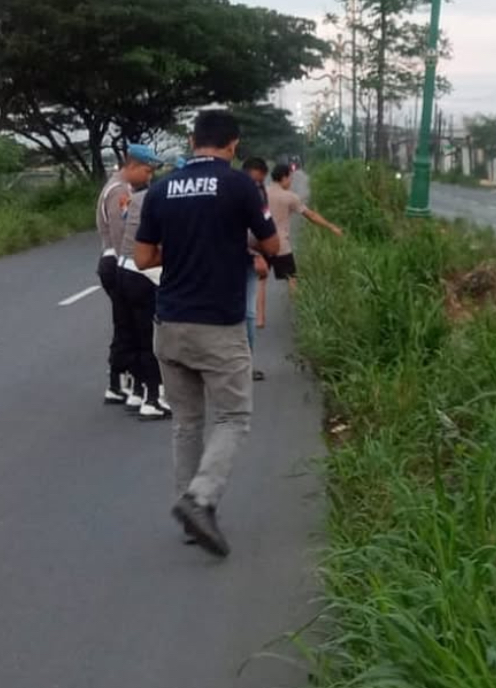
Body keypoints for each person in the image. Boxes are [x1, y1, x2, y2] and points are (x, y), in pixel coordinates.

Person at [134, 109, 279, 558]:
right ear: (233, 144)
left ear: (193, 140)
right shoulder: (240, 185)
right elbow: (271, 245)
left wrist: (183, 253)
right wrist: (233, 245)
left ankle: (190, 516)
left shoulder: (160, 189)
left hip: (170, 322)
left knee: (188, 422)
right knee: (234, 417)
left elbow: (142, 259)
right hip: (217, 324)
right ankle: (200, 499)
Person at [115, 143, 168, 419]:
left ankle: (136, 392)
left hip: (123, 270)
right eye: (148, 170)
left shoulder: (132, 199)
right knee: (150, 339)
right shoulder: (152, 198)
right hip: (142, 274)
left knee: (134, 336)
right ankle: (153, 399)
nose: (150, 176)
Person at [266, 162, 344, 297]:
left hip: (259, 243)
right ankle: (297, 304)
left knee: (259, 282)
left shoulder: (261, 192)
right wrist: (331, 226)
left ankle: (256, 317)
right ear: (284, 178)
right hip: (280, 245)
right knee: (291, 278)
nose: (290, 182)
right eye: (290, 178)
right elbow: (311, 216)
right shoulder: (289, 197)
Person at [95, 160, 132, 403]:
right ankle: (118, 381)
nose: (150, 176)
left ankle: (119, 380)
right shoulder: (119, 190)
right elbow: (121, 233)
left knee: (125, 323)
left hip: (112, 261)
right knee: (126, 324)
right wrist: (128, 265)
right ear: (134, 167)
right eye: (148, 170)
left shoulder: (117, 186)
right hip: (116, 261)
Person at [242, 157, 271, 381]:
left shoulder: (257, 191)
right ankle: (244, 365)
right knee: (248, 313)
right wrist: (258, 254)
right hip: (244, 258)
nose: (259, 185)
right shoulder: (254, 192)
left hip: (233, 258)